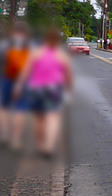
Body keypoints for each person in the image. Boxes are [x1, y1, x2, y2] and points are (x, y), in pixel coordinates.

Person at [14, 27, 73, 158]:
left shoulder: (36, 53)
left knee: (39, 119)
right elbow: (68, 76)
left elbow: (26, 71)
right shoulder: (62, 56)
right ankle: (49, 146)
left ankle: (41, 145)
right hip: (54, 88)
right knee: (53, 117)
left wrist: (18, 86)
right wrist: (68, 91)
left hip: (36, 88)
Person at [0, 24, 31, 145]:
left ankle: (4, 135)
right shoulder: (29, 48)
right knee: (20, 109)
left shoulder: (3, 46)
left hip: (6, 78)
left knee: (4, 107)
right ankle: (16, 139)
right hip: (22, 81)